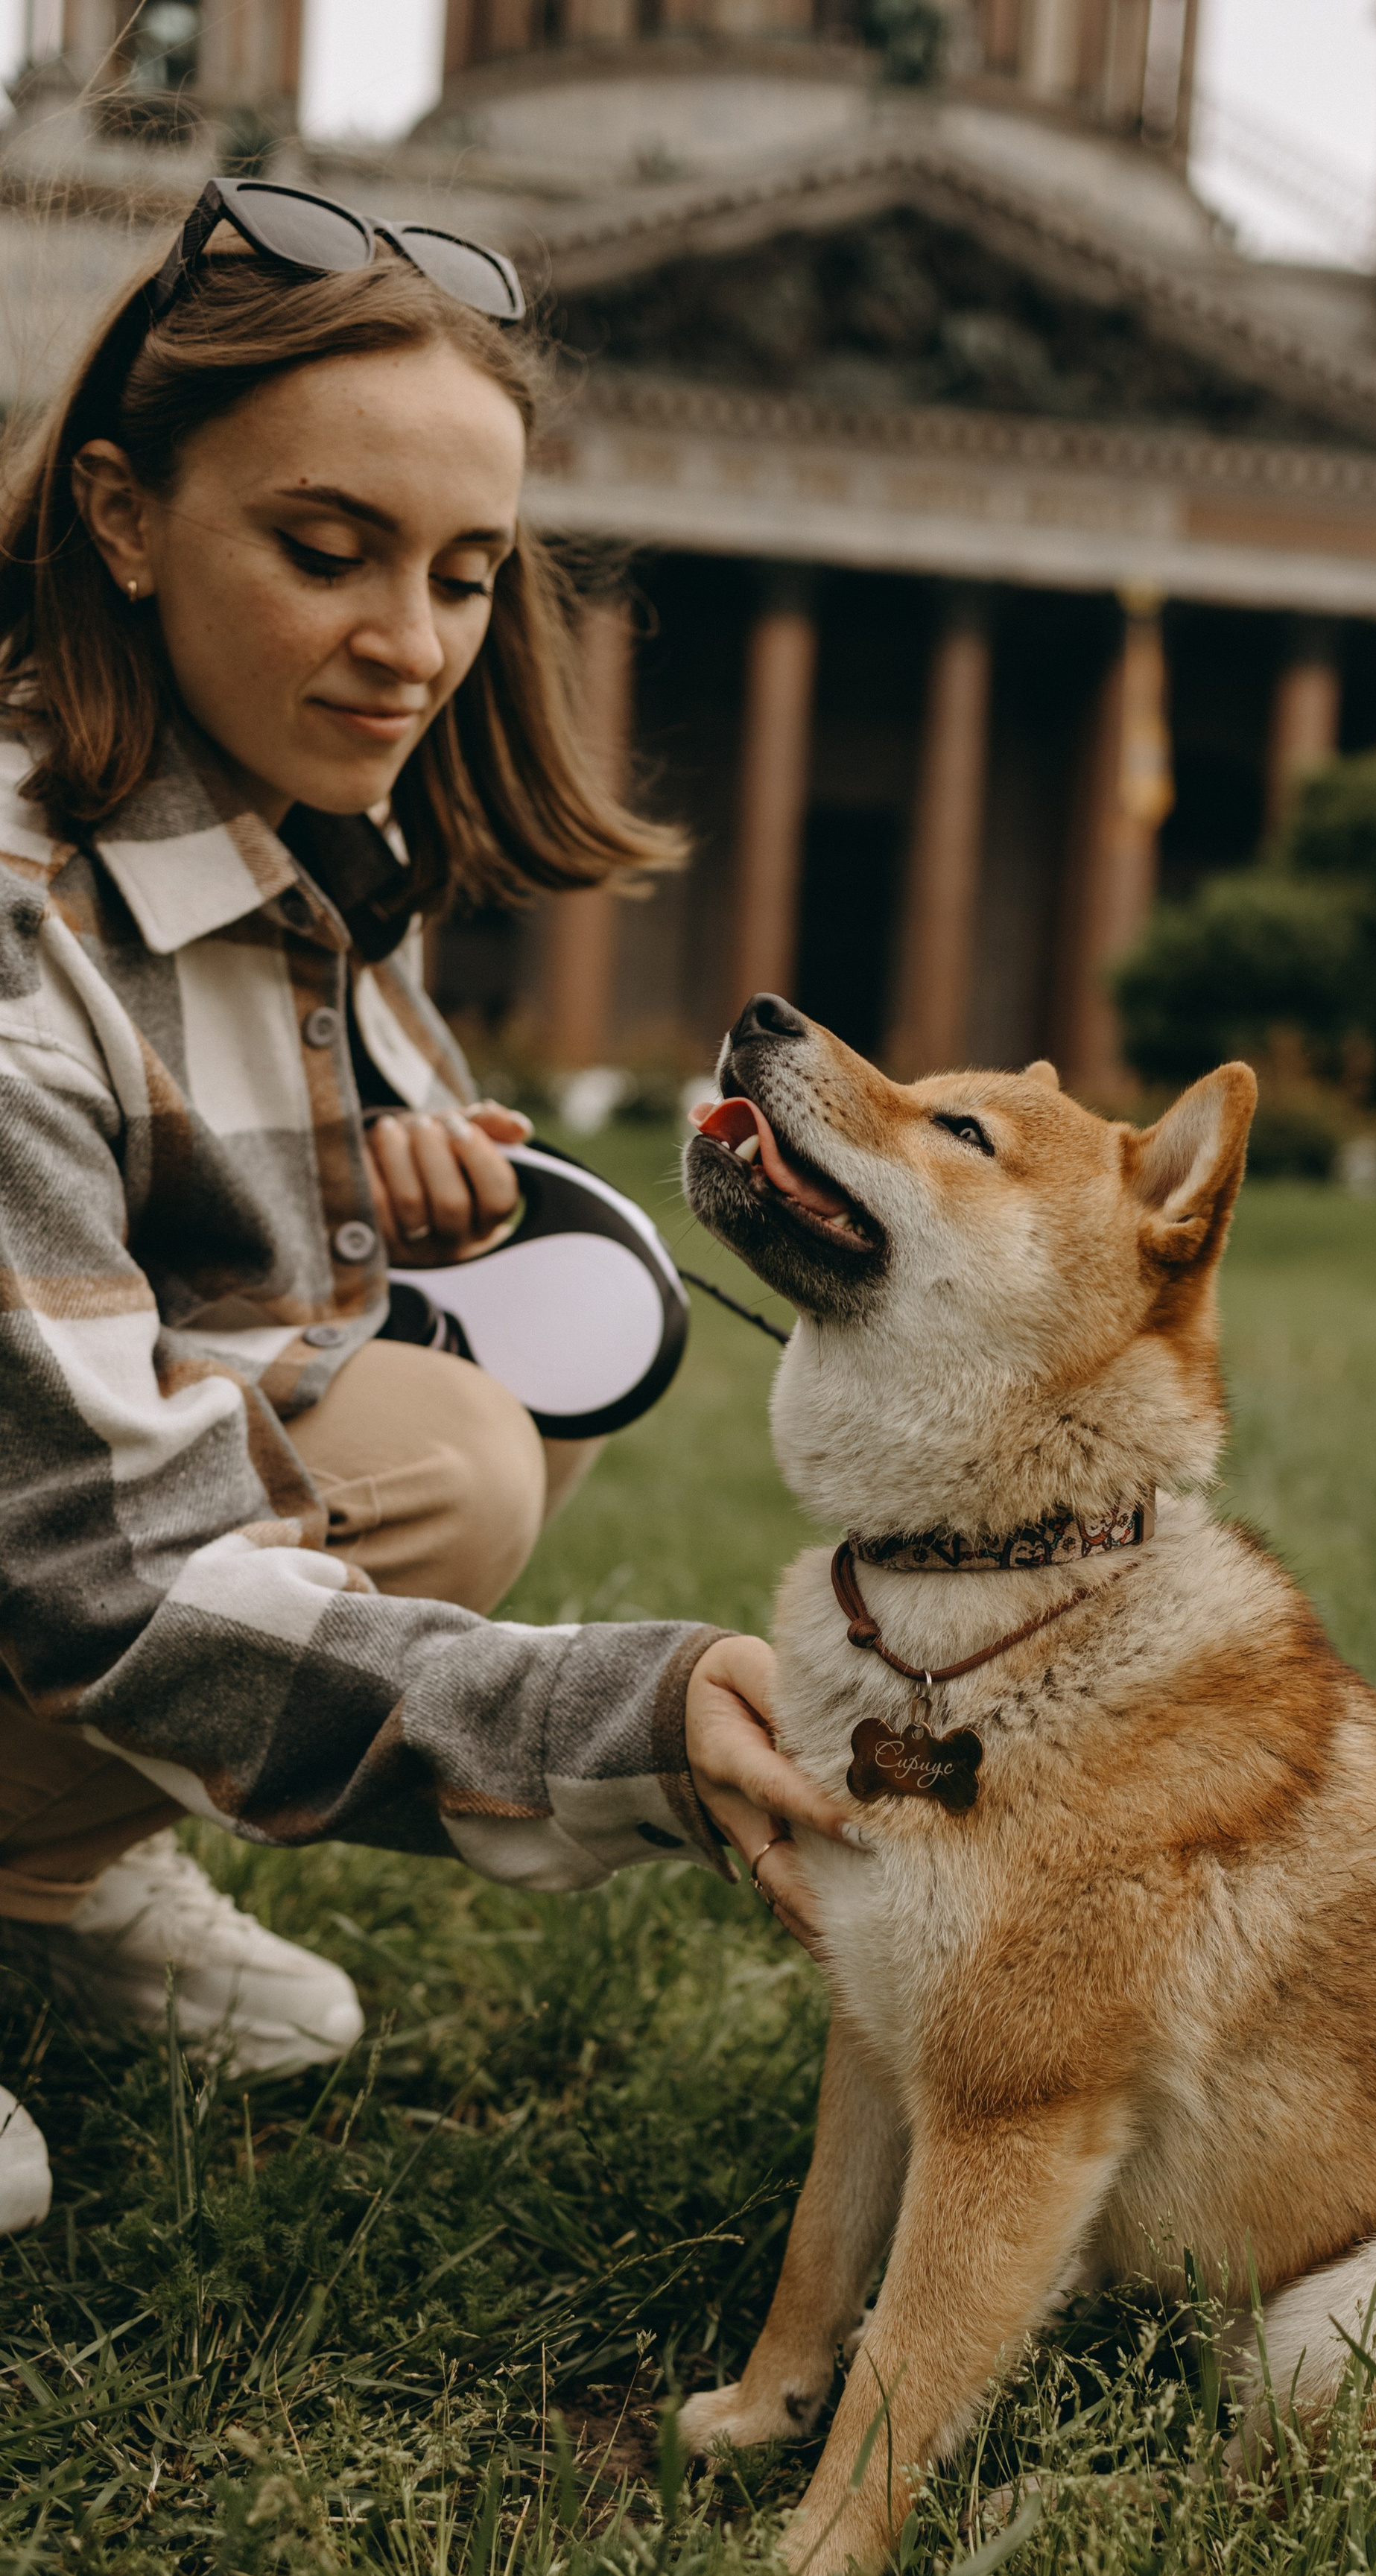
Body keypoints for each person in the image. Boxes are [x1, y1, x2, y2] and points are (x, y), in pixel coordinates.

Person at [0, 179, 841, 2233]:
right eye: (327, 550)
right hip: (71, 1568)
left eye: (468, 576)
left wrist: (415, 1227)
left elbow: (232, 1296)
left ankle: (38, 1868)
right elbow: (101, 1572)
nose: (414, 647)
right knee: (420, 1451)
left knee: (449, 1432)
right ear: (122, 516)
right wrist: (618, 1717)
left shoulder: (301, 851)